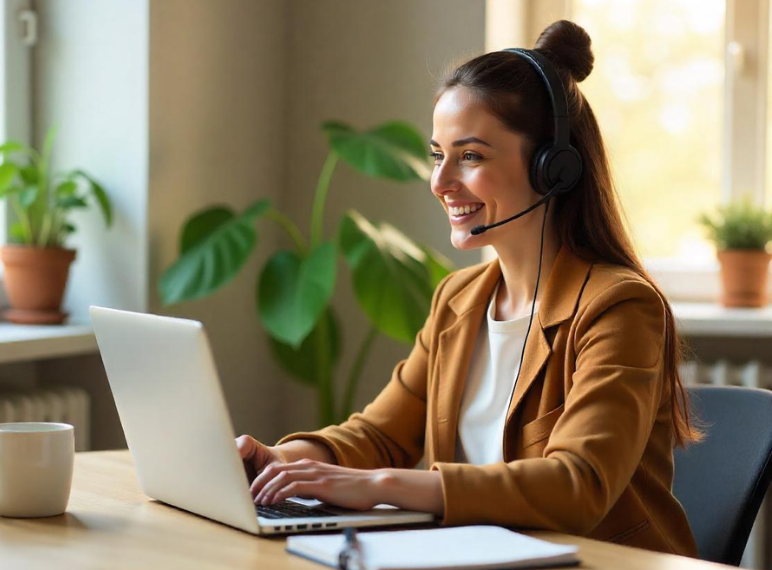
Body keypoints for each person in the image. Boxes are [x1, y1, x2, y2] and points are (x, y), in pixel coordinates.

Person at [236, 20, 700, 557]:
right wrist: (282, 459)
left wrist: (383, 486)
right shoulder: (459, 299)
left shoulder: (618, 306)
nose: (440, 182)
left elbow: (579, 484)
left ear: (555, 169)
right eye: (438, 155)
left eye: (471, 156)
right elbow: (379, 436)